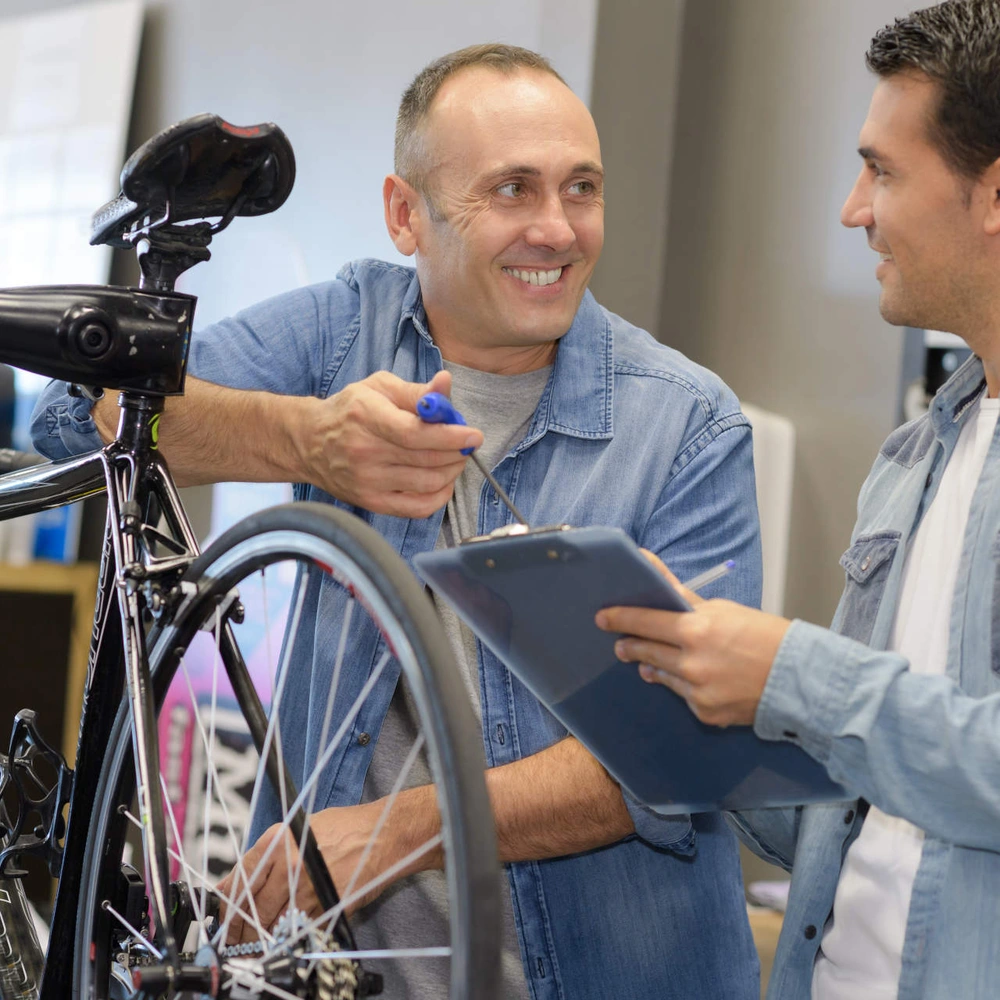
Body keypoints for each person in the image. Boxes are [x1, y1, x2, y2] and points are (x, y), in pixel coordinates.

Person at [33, 45, 763, 998]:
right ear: (405, 213)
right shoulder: (348, 331)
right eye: (511, 190)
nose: (557, 229)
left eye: (580, 188)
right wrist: (307, 440)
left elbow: (670, 761)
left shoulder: (689, 425)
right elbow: (72, 414)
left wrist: (390, 832)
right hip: (337, 971)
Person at [596, 2, 1000, 997]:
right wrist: (680, 705)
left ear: (992, 194)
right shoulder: (914, 456)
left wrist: (790, 671)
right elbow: (856, 795)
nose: (852, 208)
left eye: (884, 170)